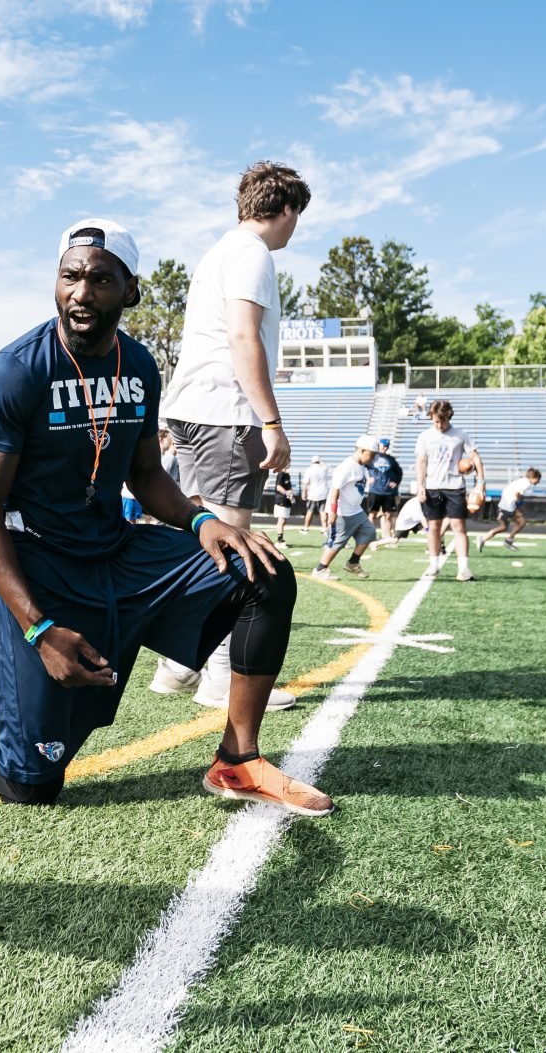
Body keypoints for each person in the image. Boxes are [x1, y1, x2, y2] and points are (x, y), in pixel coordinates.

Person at [0, 219, 333, 817]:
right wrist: (37, 628)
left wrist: (200, 521)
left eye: (100, 280)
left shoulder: (140, 365)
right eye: (70, 276)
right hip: (39, 569)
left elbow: (147, 474)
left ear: (130, 291)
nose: (81, 292)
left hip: (113, 549)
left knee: (261, 572)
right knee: (31, 781)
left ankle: (238, 759)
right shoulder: (16, 371)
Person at [154, 161, 311, 710]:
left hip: (194, 408)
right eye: (299, 215)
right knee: (236, 548)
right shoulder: (253, 254)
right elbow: (245, 337)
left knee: (205, 538)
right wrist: (272, 422)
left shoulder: (219, 251)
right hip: (227, 410)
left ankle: (176, 665)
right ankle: (221, 678)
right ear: (286, 207)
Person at [414, 400, 481, 582]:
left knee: (459, 527)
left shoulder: (460, 435)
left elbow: (474, 456)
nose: (438, 425)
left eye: (441, 421)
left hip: (455, 487)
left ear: (449, 417)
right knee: (434, 527)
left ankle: (464, 569)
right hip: (432, 487)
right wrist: (420, 485)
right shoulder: (425, 436)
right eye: (435, 421)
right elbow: (421, 462)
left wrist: (480, 482)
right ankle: (434, 565)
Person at [311, 436, 376, 579]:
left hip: (356, 510)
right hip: (342, 511)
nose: (373, 458)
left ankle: (352, 563)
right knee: (337, 542)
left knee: (369, 532)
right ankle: (320, 570)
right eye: (372, 454)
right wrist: (333, 511)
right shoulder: (347, 466)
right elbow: (335, 490)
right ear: (362, 450)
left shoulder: (362, 466)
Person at [478, 467, 542, 552]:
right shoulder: (526, 483)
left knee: (519, 522)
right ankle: (484, 538)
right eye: (538, 479)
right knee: (505, 526)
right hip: (507, 506)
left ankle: (507, 540)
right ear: (534, 477)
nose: (538, 482)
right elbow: (517, 493)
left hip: (508, 505)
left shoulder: (522, 481)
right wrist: (519, 502)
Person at [362, 438, 402, 540]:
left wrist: (396, 482)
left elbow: (399, 472)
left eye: (386, 446)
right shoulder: (372, 457)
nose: (384, 448)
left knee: (388, 515)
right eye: (383, 445)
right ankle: (371, 536)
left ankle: (387, 537)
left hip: (388, 492)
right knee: (372, 515)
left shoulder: (391, 460)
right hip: (375, 490)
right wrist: (367, 478)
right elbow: (361, 466)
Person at [301, 455, 329, 529]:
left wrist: (304, 493)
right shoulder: (324, 469)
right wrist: (321, 462)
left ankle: (306, 527)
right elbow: (325, 465)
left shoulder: (309, 470)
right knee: (322, 511)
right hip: (323, 493)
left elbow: (305, 483)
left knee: (310, 511)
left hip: (312, 493)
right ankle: (324, 528)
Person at [269, 467, 295, 543]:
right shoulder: (281, 474)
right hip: (281, 500)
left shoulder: (287, 475)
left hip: (287, 501)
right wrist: (286, 493)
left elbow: (289, 488)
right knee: (281, 519)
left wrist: (291, 496)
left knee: (284, 520)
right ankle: (279, 540)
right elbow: (278, 487)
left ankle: (281, 538)